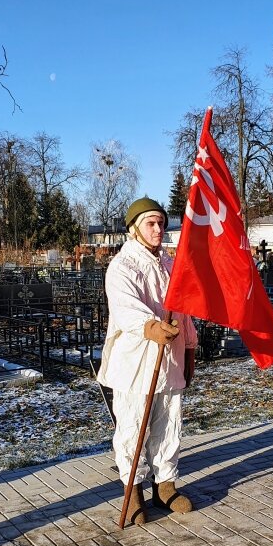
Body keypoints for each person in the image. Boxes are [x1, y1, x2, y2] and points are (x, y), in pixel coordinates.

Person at [97, 198, 198, 525]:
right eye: (150, 223)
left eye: (161, 222)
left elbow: (184, 311)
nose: (158, 229)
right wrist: (151, 327)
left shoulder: (170, 264)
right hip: (137, 363)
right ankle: (134, 488)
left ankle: (165, 485)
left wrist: (191, 347)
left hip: (170, 359)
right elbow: (125, 309)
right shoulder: (123, 266)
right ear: (134, 228)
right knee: (133, 427)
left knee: (169, 423)